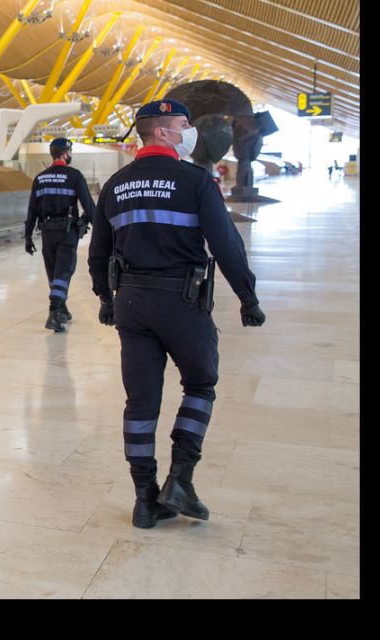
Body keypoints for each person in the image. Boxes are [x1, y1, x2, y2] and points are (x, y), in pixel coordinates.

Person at [87, 98, 266, 529]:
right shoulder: (195, 181)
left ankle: (145, 501)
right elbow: (226, 246)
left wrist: (106, 301)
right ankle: (181, 480)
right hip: (181, 302)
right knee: (201, 383)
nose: (191, 132)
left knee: (140, 401)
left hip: (131, 301)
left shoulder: (115, 184)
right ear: (164, 132)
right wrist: (248, 299)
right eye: (184, 125)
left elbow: (97, 255)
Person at [23, 137, 95, 332]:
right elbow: (89, 205)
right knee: (64, 271)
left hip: (47, 232)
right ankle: (54, 312)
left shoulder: (40, 178)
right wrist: (94, 226)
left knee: (54, 271)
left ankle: (62, 308)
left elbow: (32, 210)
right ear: (65, 153)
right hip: (67, 232)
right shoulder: (74, 176)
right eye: (69, 152)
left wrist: (28, 236)